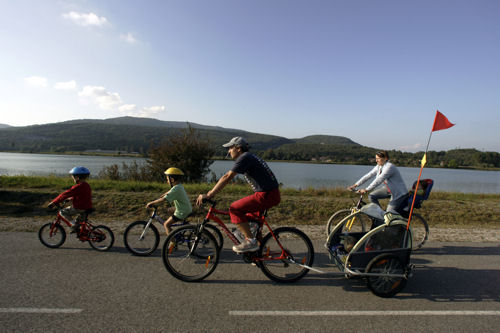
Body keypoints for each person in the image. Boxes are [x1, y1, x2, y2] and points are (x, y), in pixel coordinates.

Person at [196, 137, 280, 253]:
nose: (228, 151)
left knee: (235, 209)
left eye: (230, 148)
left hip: (266, 195)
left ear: (238, 148)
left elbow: (227, 177)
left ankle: (250, 241)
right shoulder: (249, 157)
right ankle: (259, 251)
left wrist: (209, 194)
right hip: (269, 193)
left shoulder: (244, 157)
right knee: (251, 222)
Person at [146, 167, 192, 236]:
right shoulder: (178, 186)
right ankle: (182, 226)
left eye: (167, 179)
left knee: (166, 224)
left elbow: (164, 199)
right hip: (185, 208)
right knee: (169, 210)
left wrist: (152, 203)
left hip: (182, 211)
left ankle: (172, 242)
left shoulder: (176, 189)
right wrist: (162, 196)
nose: (167, 181)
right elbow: (169, 192)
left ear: (172, 179)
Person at [48, 166, 92, 233]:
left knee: (62, 212)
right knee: (79, 222)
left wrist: (54, 202)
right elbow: (81, 195)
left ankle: (73, 224)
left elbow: (64, 194)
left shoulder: (77, 187)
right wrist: (71, 199)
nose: (73, 179)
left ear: (77, 177)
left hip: (79, 207)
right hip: (87, 207)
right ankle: (80, 230)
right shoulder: (86, 185)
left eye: (73, 177)